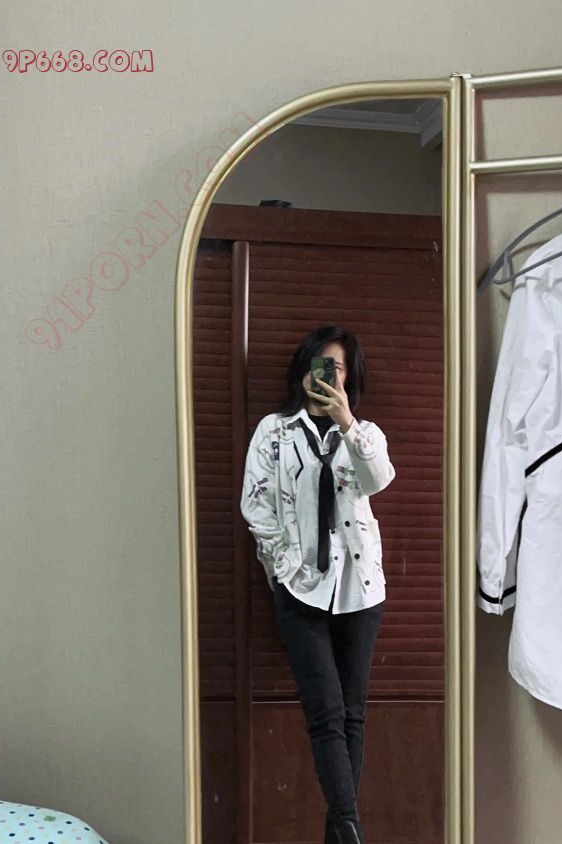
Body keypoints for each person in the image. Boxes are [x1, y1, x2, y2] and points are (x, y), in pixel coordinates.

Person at [240, 325, 396, 844]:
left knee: (352, 715)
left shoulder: (364, 434)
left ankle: (341, 830)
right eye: (318, 363)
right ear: (302, 369)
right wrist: (285, 567)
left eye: (337, 367)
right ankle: (350, 827)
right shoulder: (274, 432)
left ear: (349, 378)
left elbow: (379, 480)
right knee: (326, 713)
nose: (325, 374)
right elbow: (256, 507)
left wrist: (347, 422)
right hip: (300, 591)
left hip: (360, 589)